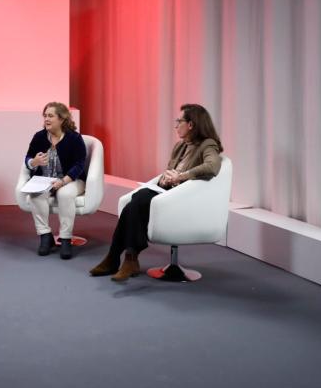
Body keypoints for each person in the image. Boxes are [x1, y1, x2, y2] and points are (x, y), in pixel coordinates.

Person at [90, 104, 223, 282]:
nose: (176, 125)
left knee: (137, 200)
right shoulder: (181, 146)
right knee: (133, 204)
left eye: (179, 121)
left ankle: (118, 258)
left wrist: (181, 176)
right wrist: (165, 178)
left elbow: (212, 166)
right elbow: (169, 170)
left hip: (184, 199)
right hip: (168, 192)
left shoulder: (208, 144)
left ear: (191, 124)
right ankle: (126, 258)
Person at [23, 101, 87, 259]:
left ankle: (65, 238)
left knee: (64, 195)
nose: (46, 119)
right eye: (45, 116)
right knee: (35, 194)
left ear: (62, 119)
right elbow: (28, 157)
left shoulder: (74, 138)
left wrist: (63, 181)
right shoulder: (39, 136)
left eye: (50, 115)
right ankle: (45, 236)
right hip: (45, 179)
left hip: (71, 180)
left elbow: (80, 163)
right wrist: (34, 162)